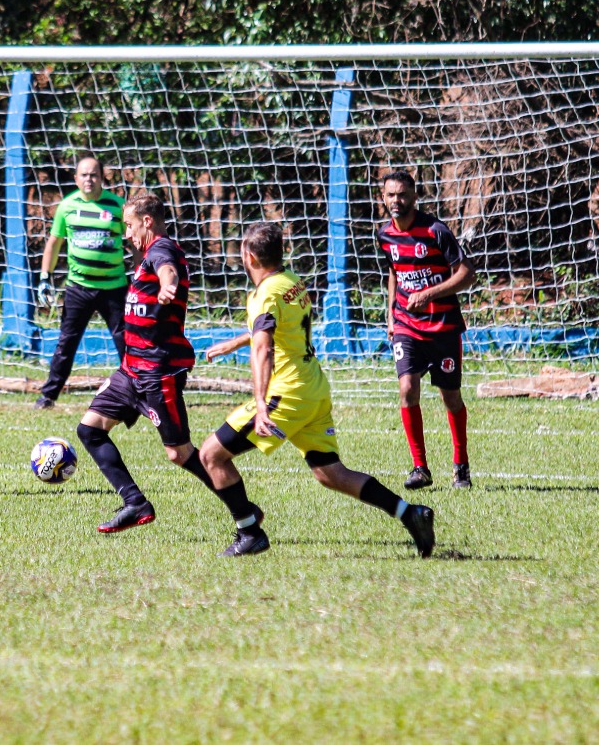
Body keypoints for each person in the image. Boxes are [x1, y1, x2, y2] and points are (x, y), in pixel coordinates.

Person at [201, 223, 436, 558]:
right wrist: (236, 341)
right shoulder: (290, 282)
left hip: (287, 393)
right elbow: (276, 328)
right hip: (313, 388)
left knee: (211, 454)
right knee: (331, 473)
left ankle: (249, 530)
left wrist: (261, 404)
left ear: (249, 256)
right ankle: (409, 513)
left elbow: (264, 348)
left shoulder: (263, 294)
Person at [76, 192, 266, 556]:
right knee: (89, 429)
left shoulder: (163, 250)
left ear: (147, 221)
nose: (126, 234)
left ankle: (245, 514)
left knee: (179, 454)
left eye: (129, 226)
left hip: (158, 372)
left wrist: (167, 284)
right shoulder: (146, 254)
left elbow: (169, 270)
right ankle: (135, 503)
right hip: (131, 369)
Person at [376, 170, 477, 490]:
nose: (397, 201)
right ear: (383, 198)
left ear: (414, 197)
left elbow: (467, 274)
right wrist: (392, 313)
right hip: (407, 326)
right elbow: (393, 272)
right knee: (407, 387)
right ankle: (420, 467)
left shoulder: (435, 231)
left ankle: (461, 466)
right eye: (391, 195)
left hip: (443, 327)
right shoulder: (384, 235)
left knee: (451, 398)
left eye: (402, 194)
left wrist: (430, 293)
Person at [34, 156, 128, 409]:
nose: (89, 179)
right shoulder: (67, 206)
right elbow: (54, 244)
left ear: (102, 177)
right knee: (66, 342)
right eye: (84, 175)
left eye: (94, 174)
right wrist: (45, 277)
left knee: (127, 342)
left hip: (114, 288)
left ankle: (137, 393)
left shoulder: (118, 206)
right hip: (78, 288)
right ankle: (48, 395)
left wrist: (144, 275)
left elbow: (136, 242)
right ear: (76, 179)